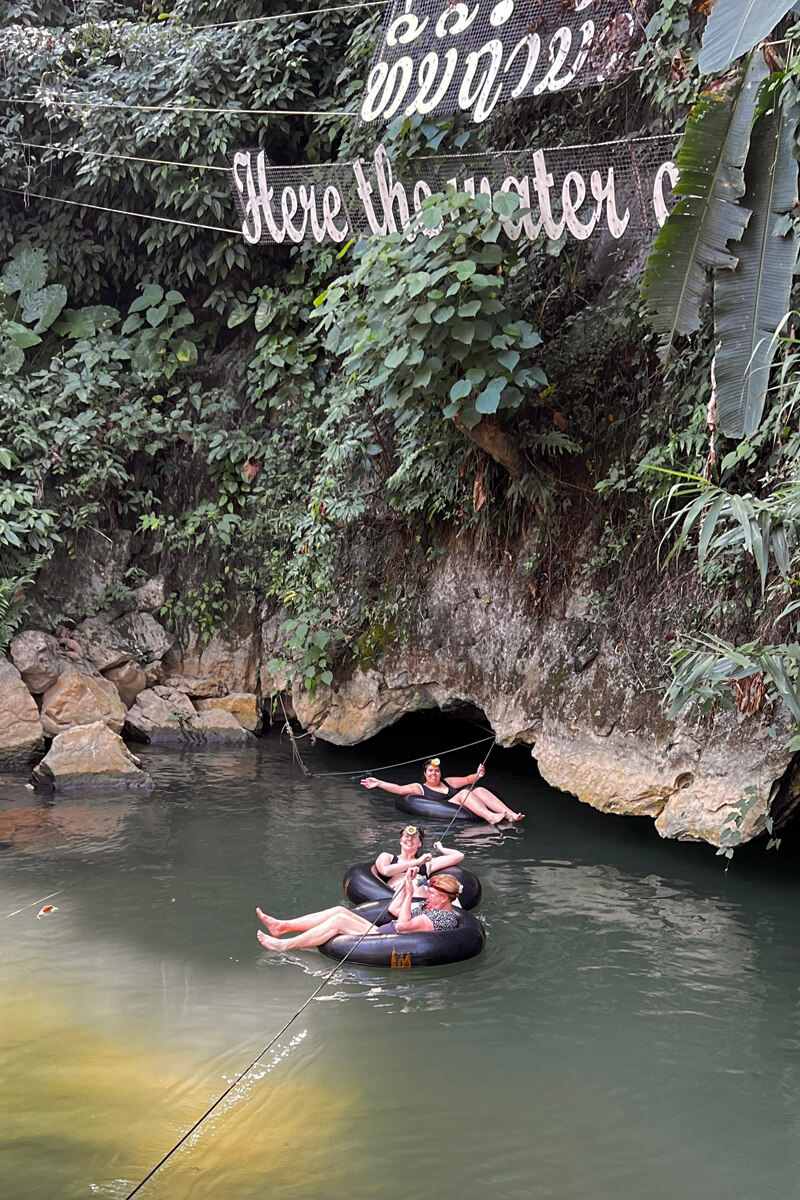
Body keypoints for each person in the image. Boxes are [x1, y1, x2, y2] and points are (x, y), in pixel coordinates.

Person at [256, 867, 460, 952]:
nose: (426, 895)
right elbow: (396, 909)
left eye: (431, 894)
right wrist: (406, 885)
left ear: (443, 898)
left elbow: (405, 926)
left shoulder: (441, 917)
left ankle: (284, 945)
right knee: (339, 910)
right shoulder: (429, 906)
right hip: (385, 930)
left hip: (388, 940)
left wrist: (408, 894)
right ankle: (282, 926)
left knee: (339, 922)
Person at [360, 758, 524, 824]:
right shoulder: (419, 788)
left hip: (466, 805)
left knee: (478, 789)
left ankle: (510, 814)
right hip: (448, 807)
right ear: (425, 774)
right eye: (430, 771)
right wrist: (379, 783)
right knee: (464, 793)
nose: (434, 773)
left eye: (436, 771)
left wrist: (478, 774)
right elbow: (399, 789)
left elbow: (468, 779)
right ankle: (490, 817)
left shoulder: (448, 781)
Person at [372, 825, 464, 898]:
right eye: (406, 836)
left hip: (423, 893)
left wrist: (441, 848)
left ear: (419, 843)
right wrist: (418, 862)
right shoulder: (387, 857)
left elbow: (459, 856)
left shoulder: (427, 863)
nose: (409, 839)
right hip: (398, 892)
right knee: (413, 884)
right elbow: (385, 871)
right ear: (400, 841)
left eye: (414, 837)